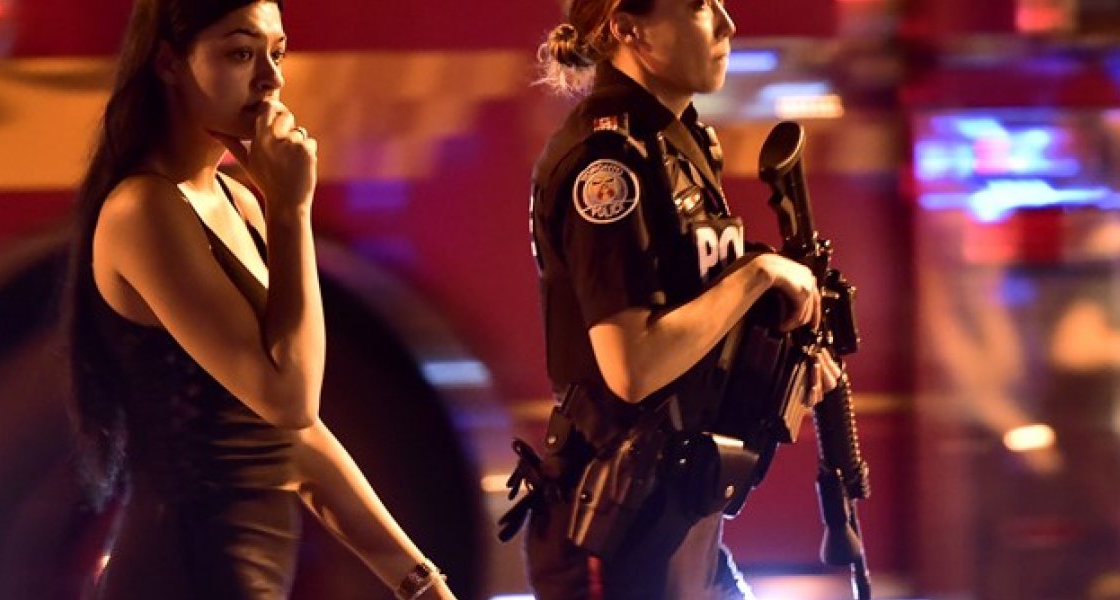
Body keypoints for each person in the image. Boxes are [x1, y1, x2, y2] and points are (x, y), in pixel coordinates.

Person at [61, 1, 456, 598]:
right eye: (241, 53)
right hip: (185, 568)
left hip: (247, 570)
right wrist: (292, 208)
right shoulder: (143, 210)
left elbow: (300, 439)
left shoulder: (238, 201)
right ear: (168, 62)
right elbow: (288, 398)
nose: (270, 79)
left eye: (278, 53)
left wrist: (421, 583)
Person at [499, 0, 841, 598]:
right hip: (616, 533)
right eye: (700, 5)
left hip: (677, 513)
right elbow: (633, 368)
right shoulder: (609, 163)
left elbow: (694, 325)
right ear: (628, 27)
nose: (728, 23)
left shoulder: (678, 141)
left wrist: (784, 364)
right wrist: (757, 275)